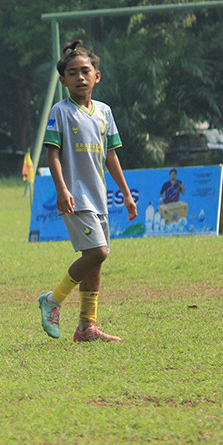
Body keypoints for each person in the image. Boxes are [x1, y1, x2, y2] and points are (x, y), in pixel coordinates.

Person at [36, 40, 137, 343]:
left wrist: (127, 194)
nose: (80, 77)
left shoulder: (104, 112)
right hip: (75, 196)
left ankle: (86, 327)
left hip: (98, 197)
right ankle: (52, 300)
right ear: (63, 80)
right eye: (72, 73)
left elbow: (111, 156)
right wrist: (61, 189)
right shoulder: (61, 112)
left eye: (85, 71)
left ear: (97, 76)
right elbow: (52, 154)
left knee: (96, 260)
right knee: (98, 252)